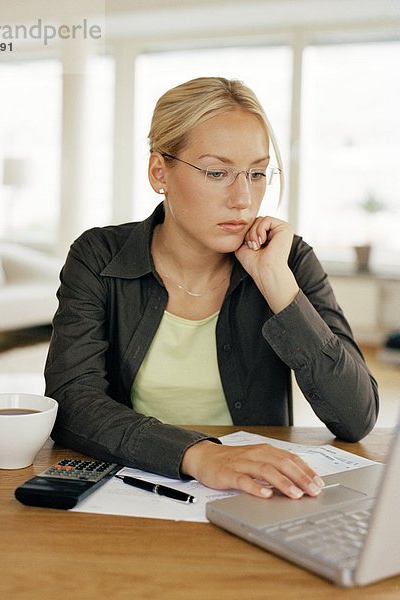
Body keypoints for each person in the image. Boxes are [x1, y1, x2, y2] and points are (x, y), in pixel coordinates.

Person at [45, 76, 378, 500]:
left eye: (257, 173)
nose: (243, 198)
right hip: (140, 490)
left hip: (256, 496)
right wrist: (199, 456)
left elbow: (356, 418)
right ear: (158, 171)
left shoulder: (289, 260)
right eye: (217, 172)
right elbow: (72, 401)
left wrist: (276, 283)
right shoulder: (98, 255)